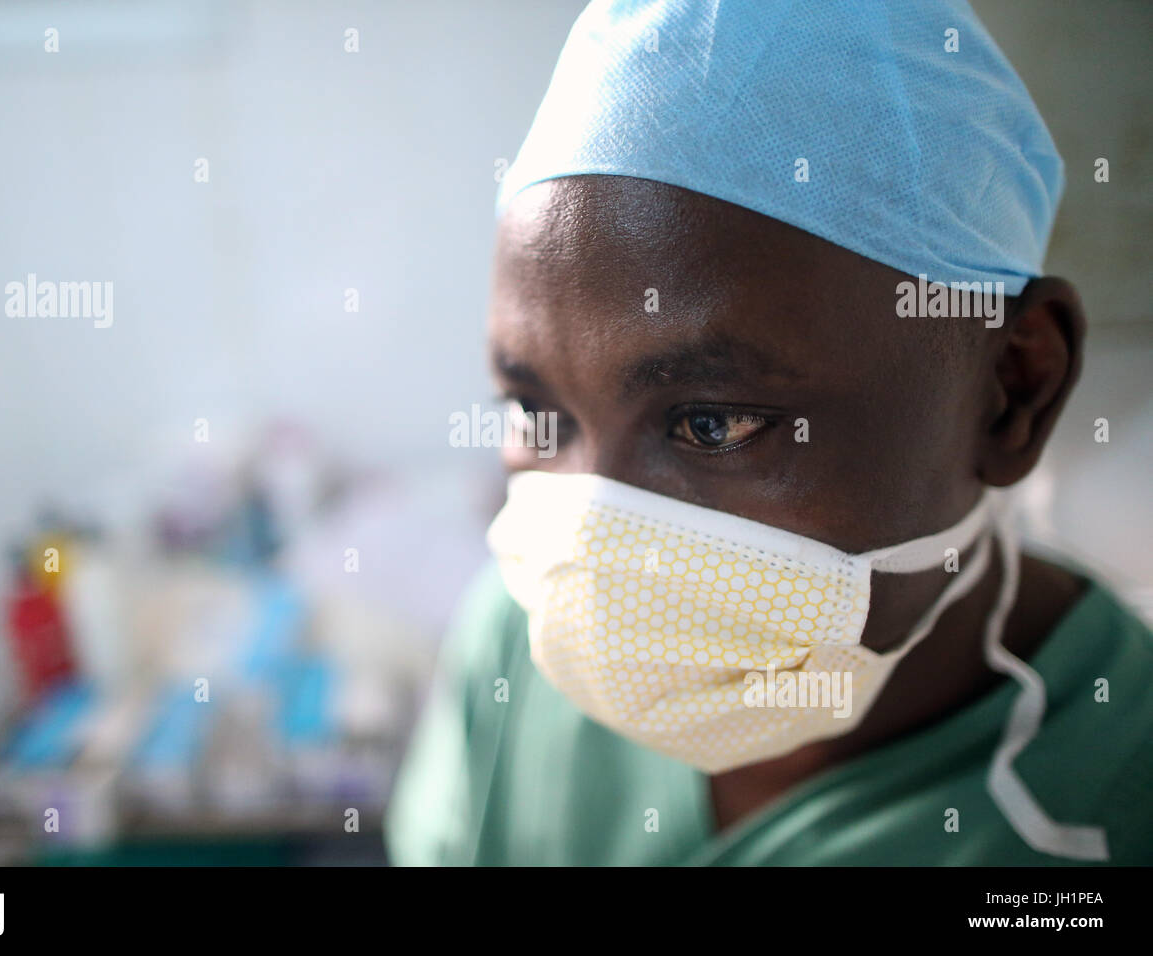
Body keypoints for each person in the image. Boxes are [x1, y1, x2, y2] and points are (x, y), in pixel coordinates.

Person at [385, 0, 1153, 865]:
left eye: (711, 423)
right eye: (537, 414)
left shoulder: (1113, 800)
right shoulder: (518, 646)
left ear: (1016, 387)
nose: (592, 539)